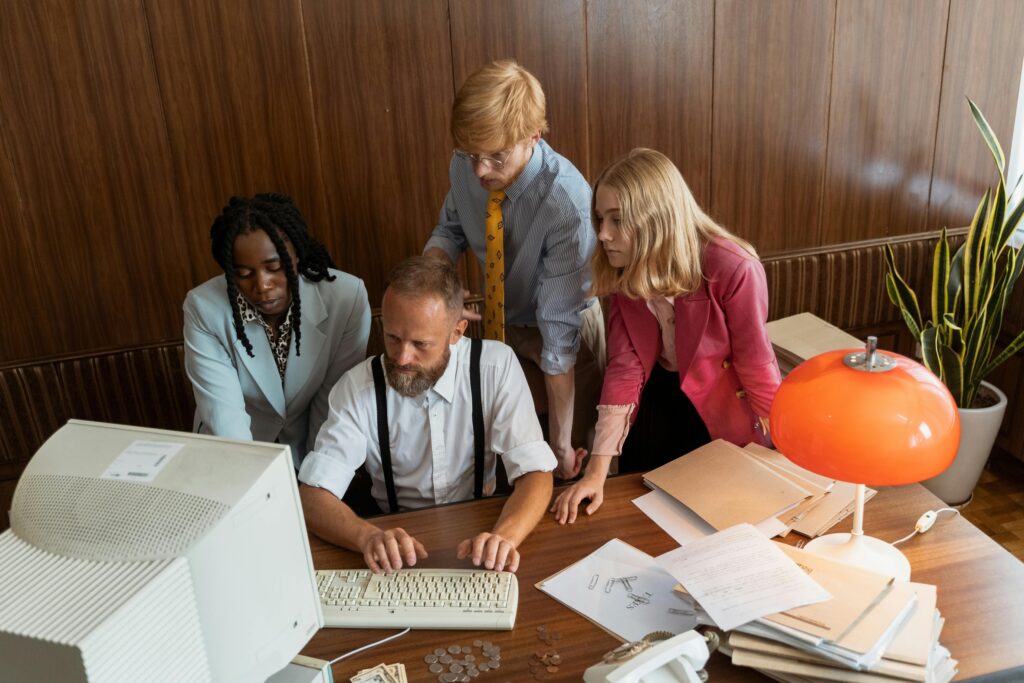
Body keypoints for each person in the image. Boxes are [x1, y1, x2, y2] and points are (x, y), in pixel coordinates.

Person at [552, 149, 781, 524]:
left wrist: (788, 452)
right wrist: (596, 472)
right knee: (649, 515)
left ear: (655, 219)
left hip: (723, 407)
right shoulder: (623, 267)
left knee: (720, 520)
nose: (603, 235)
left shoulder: (734, 267)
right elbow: (624, 370)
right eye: (599, 219)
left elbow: (757, 368)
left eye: (617, 220)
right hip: (657, 396)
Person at [298, 257, 556, 574]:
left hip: (482, 535)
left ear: (457, 331)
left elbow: (536, 473)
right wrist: (366, 537)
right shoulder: (357, 387)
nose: (402, 357)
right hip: (395, 549)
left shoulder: (496, 366)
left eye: (420, 343)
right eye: (393, 338)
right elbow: (313, 495)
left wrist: (505, 537)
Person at [423, 59, 604, 480]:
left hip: (569, 338)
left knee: (564, 467)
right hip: (503, 322)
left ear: (532, 138)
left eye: (496, 157)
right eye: (471, 155)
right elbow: (450, 229)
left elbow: (559, 341)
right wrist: (439, 287)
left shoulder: (567, 205)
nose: (480, 171)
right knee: (504, 459)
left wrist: (561, 447)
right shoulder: (466, 164)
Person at [184, 193, 370, 469]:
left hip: (309, 443)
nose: (263, 285)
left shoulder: (347, 297)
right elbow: (226, 419)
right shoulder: (204, 308)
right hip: (231, 456)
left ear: (296, 254)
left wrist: (314, 480)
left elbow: (332, 403)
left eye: (275, 267)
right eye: (244, 274)